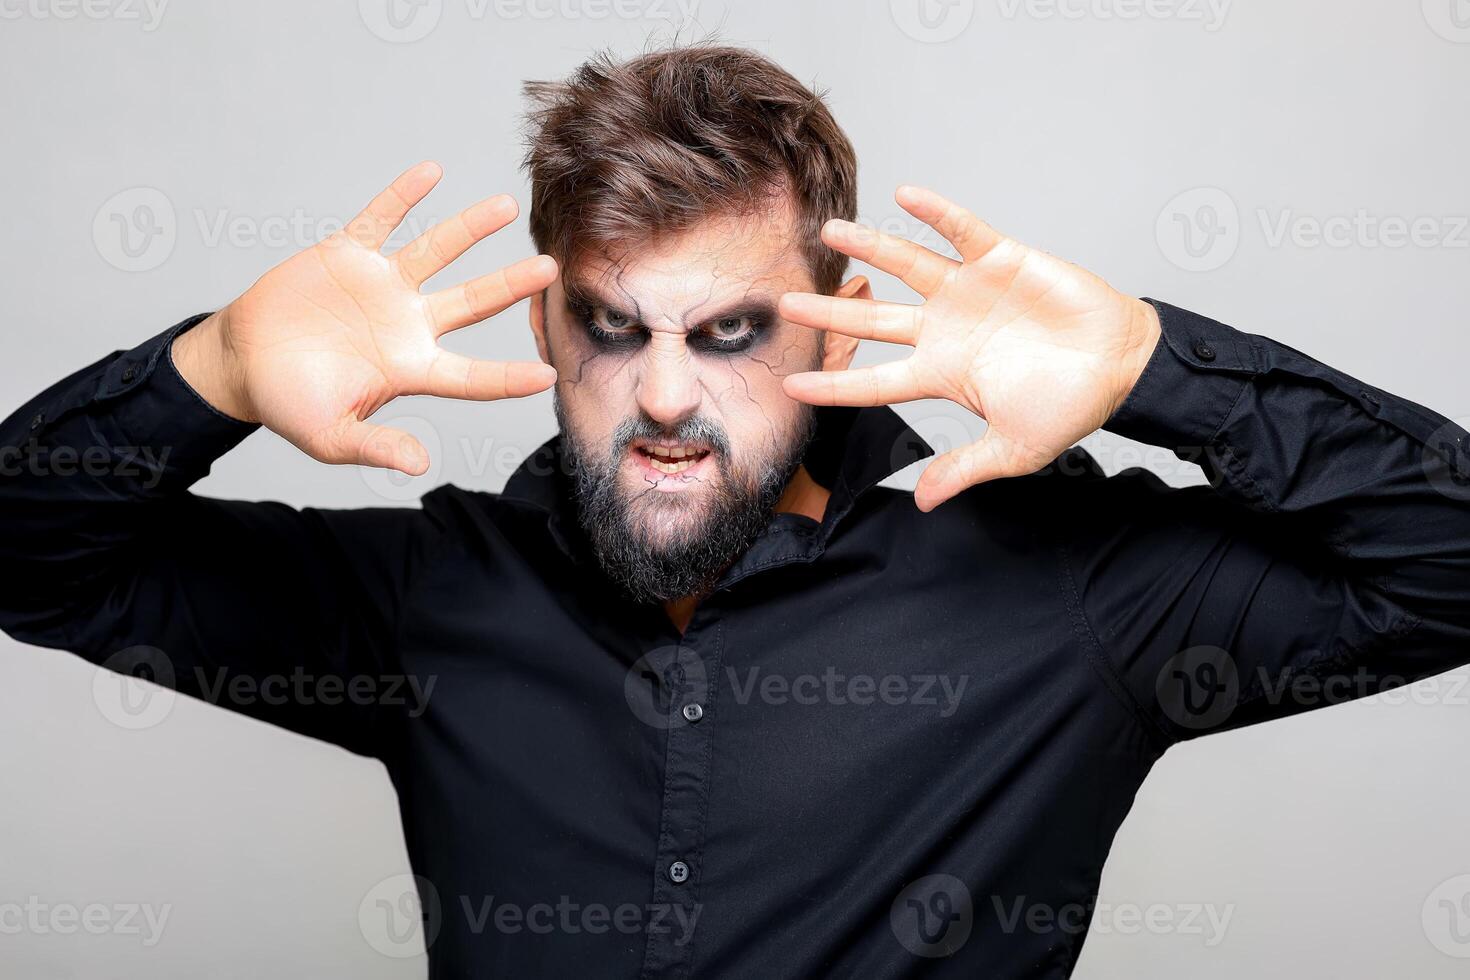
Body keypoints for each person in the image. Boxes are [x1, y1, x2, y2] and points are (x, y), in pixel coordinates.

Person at [3, 44, 1468, 979]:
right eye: (611, 327)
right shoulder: (427, 599)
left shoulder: (1061, 591)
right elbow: (31, 559)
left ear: (834, 330)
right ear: (552, 327)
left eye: (727, 336)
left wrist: (1160, 369)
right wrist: (212, 370)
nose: (658, 399)